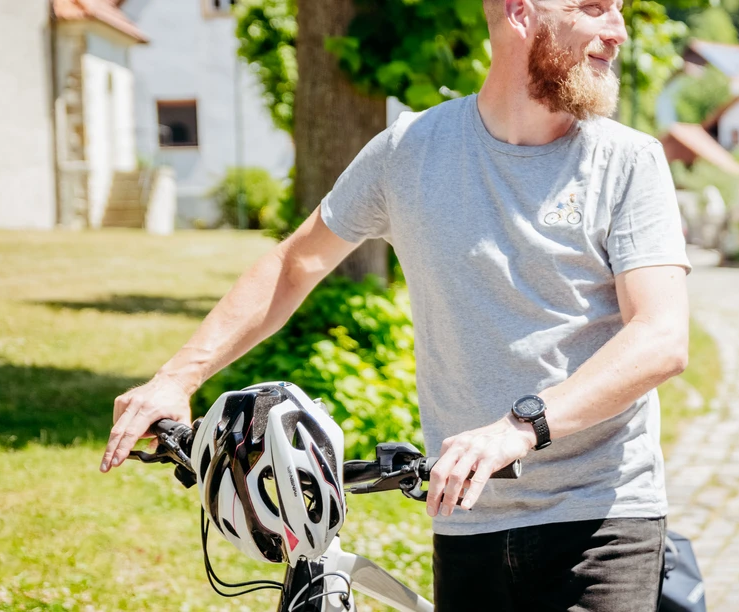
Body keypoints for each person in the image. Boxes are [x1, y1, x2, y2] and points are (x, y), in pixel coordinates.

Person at [100, 0, 691, 609]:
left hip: (603, 520)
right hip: (467, 518)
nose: (618, 31)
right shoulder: (412, 149)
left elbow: (660, 337)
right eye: (594, 7)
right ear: (519, 11)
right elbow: (293, 262)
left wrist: (520, 427)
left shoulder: (627, 160)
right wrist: (178, 376)